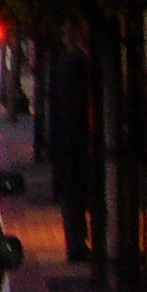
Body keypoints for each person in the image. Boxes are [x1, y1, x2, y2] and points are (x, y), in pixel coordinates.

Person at [50, 21, 94, 263]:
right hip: (75, 142)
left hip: (67, 141)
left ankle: (77, 243)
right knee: (76, 195)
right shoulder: (77, 62)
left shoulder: (66, 60)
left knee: (73, 196)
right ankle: (77, 245)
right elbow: (75, 103)